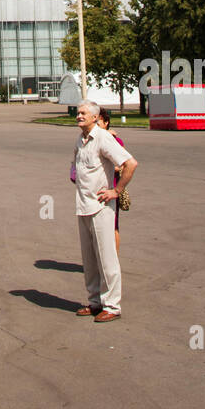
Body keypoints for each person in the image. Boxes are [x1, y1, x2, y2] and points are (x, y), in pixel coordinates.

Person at [72, 102, 137, 322]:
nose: (78, 116)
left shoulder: (103, 138)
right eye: (78, 113)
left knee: (107, 259)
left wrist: (116, 191)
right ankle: (95, 302)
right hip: (83, 206)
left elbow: (130, 164)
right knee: (89, 261)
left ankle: (112, 305)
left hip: (101, 208)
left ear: (94, 117)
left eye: (83, 113)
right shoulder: (80, 140)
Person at [97, 109, 125, 254]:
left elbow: (121, 165)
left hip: (111, 189)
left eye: (98, 123)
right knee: (98, 228)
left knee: (113, 227)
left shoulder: (115, 141)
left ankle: (114, 260)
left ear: (106, 123)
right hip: (96, 191)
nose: (95, 126)